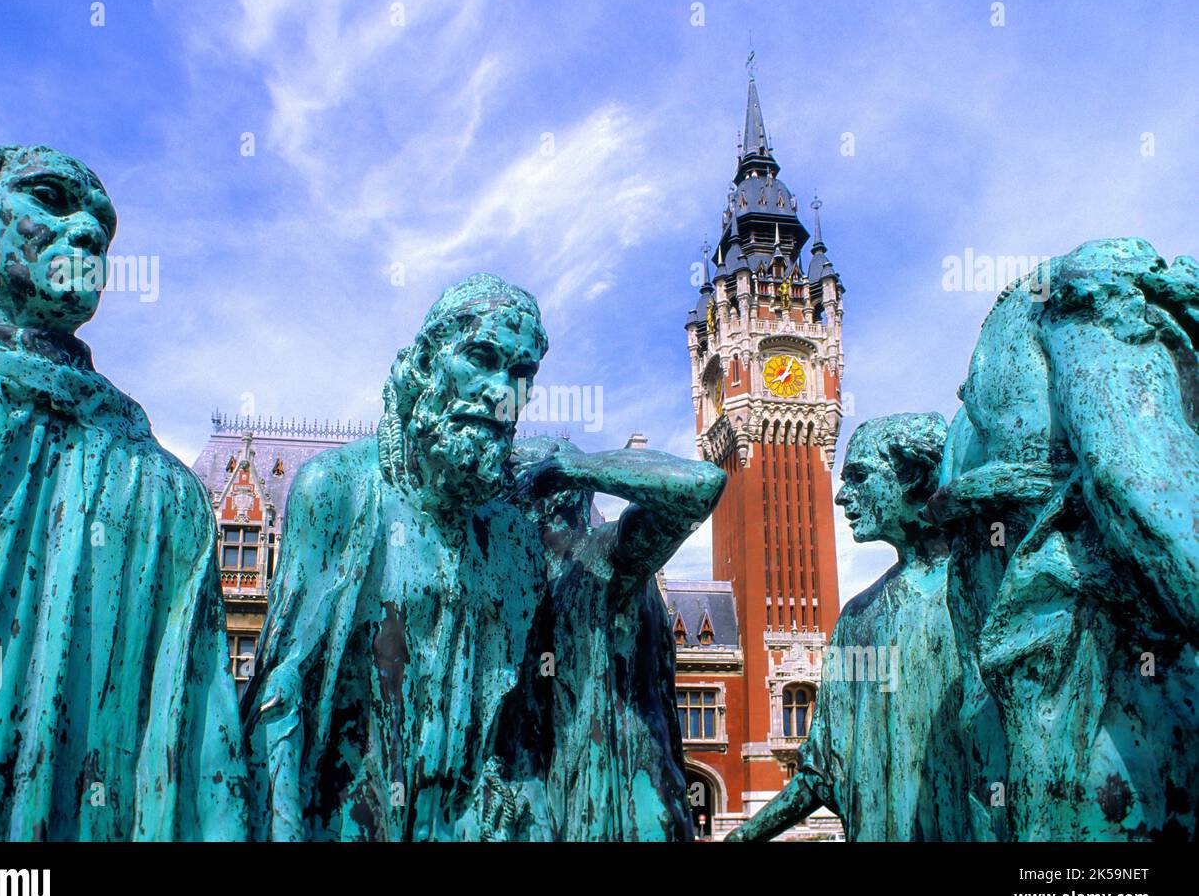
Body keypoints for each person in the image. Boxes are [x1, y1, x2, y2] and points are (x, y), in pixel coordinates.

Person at [0, 145, 247, 840]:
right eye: (50, 199)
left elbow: (207, 753)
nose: (87, 231)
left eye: (102, 225)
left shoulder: (166, 492)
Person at [241, 273, 555, 841]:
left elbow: (526, 733)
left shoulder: (514, 539)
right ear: (425, 365)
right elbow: (280, 697)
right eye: (480, 358)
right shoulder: (337, 490)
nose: (500, 391)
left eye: (521, 374)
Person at [928, 238, 1199, 840]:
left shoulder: (1013, 348)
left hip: (1058, 743)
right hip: (1101, 743)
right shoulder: (1068, 303)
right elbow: (1144, 488)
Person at [728, 413, 998, 841]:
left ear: (913, 475)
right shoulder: (857, 618)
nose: (840, 497)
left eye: (858, 476)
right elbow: (822, 768)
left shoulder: (993, 588)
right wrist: (743, 836)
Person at [509, 436, 724, 840]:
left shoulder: (605, 557)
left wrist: (569, 469)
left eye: (512, 484)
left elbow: (700, 484)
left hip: (624, 810)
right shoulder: (526, 586)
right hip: (559, 811)